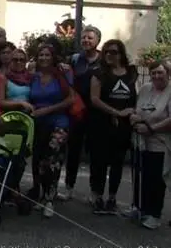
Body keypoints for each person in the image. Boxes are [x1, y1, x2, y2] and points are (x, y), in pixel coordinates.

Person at [88, 39, 137, 215]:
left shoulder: (131, 73)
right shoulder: (98, 73)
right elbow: (95, 99)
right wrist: (116, 113)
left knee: (118, 162)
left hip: (123, 126)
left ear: (121, 54)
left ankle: (112, 198)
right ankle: (97, 196)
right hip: (102, 124)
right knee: (99, 161)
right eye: (106, 51)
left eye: (114, 52)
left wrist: (130, 113)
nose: (109, 55)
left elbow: (134, 98)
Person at [27, 44, 74, 218]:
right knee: (39, 160)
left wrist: (48, 109)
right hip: (38, 124)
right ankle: (40, 194)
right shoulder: (33, 76)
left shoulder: (62, 74)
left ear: (53, 57)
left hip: (58, 122)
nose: (44, 58)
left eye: (47, 55)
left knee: (53, 161)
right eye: (41, 55)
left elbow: (71, 99)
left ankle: (49, 199)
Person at [128, 61, 171, 229]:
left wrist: (151, 128)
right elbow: (137, 109)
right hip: (141, 140)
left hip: (160, 141)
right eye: (153, 73)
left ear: (168, 73)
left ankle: (154, 214)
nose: (156, 76)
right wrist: (133, 116)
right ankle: (140, 208)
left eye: (160, 73)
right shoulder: (146, 88)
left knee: (156, 180)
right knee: (141, 177)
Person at [63, 26, 102, 200]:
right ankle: (69, 188)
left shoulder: (104, 61)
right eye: (84, 37)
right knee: (73, 151)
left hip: (96, 113)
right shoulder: (74, 59)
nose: (86, 40)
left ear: (97, 41)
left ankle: (95, 192)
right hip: (77, 112)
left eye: (90, 38)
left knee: (96, 153)